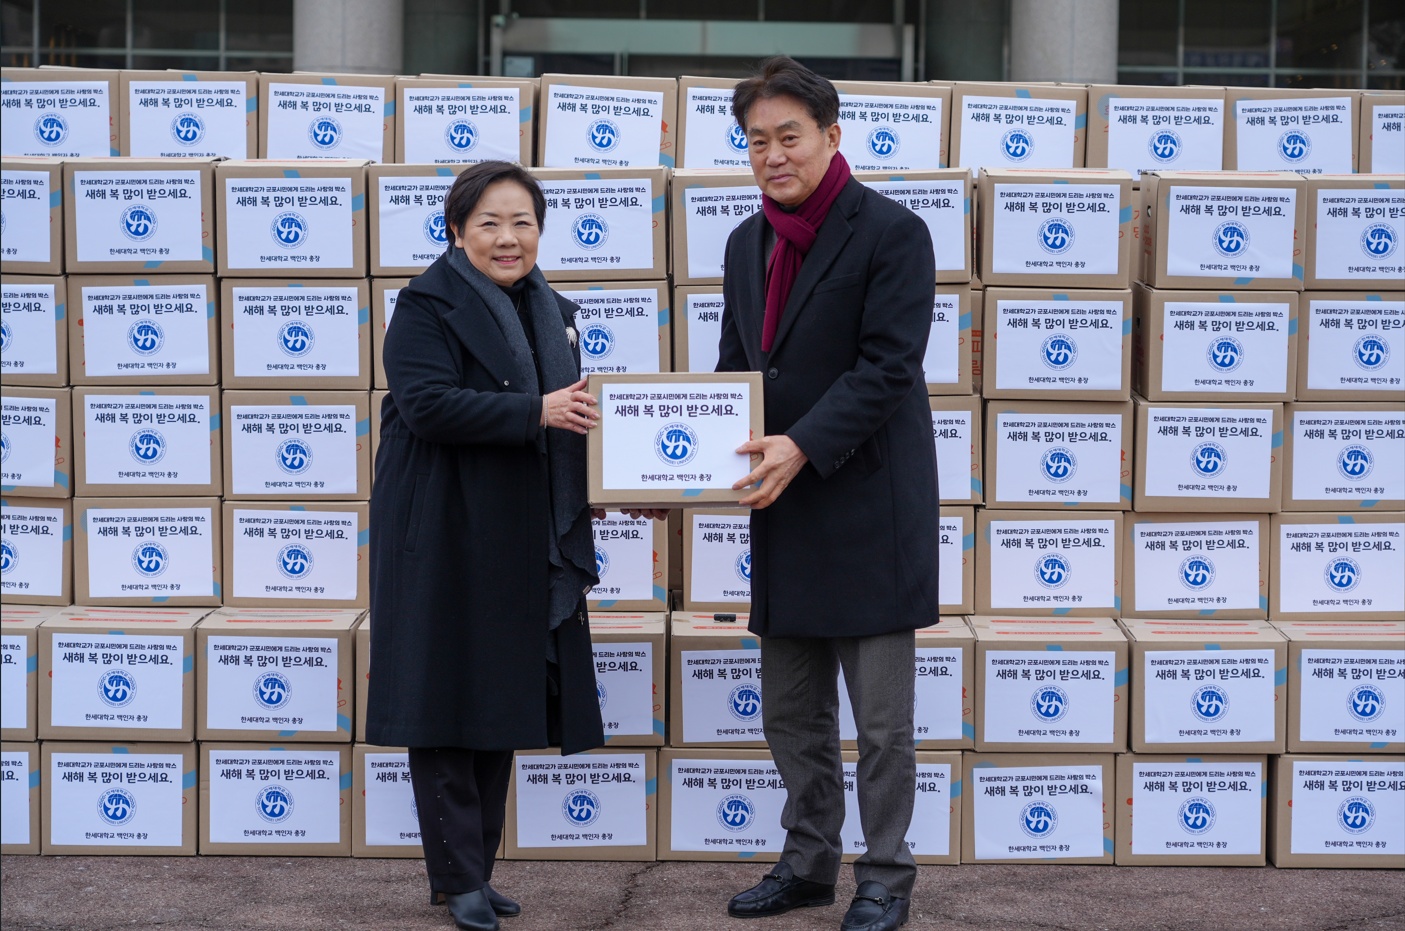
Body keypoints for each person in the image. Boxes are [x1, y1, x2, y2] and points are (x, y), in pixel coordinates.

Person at [717, 57, 939, 931]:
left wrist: (804, 443)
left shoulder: (891, 232)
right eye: (755, 141)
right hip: (783, 506)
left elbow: (889, 366)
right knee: (789, 714)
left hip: (865, 504)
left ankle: (885, 874)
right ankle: (808, 861)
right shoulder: (746, 241)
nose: (772, 155)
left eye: (788, 136)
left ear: (831, 136)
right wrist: (676, 469)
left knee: (882, 725)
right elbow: (735, 373)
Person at [366, 160, 607, 931]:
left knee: (499, 697)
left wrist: (629, 477)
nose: (508, 239)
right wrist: (535, 409)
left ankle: (478, 871)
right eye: (490, 224)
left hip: (516, 531)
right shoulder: (424, 306)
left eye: (523, 222)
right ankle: (457, 877)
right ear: (456, 231)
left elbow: (576, 417)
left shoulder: (553, 310)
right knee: (445, 701)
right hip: (442, 526)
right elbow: (428, 404)